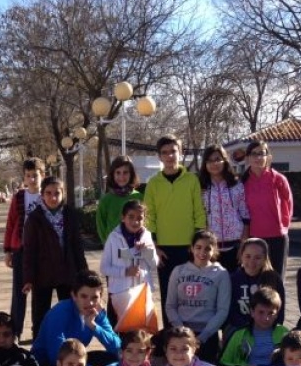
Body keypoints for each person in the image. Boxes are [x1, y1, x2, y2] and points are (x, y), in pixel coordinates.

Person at [144, 134, 206, 324]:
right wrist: (154, 246)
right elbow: (149, 217)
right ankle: (169, 337)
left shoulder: (192, 180)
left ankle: (191, 336)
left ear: (181, 153)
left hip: (189, 248)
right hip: (164, 250)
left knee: (191, 294)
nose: (170, 156)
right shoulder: (153, 183)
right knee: (168, 296)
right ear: (159, 157)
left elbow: (199, 213)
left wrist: (198, 246)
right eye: (165, 153)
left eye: (173, 151)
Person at [21, 175, 88, 339]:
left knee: (70, 310)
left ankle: (71, 347)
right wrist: (28, 278)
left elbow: (77, 246)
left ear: (63, 194)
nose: (53, 197)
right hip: (43, 274)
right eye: (48, 193)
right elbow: (29, 251)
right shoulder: (34, 218)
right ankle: (39, 347)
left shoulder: (70, 215)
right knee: (41, 313)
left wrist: (84, 272)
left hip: (68, 272)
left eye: (57, 193)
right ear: (42, 195)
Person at [239, 141, 294, 325]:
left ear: (268, 157)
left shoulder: (278, 179)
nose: (258, 157)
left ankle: (277, 322)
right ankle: (255, 319)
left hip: (277, 237)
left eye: (262, 153)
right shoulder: (243, 182)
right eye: (254, 154)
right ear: (248, 158)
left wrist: (283, 226)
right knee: (254, 279)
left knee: (275, 280)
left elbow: (288, 204)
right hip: (254, 237)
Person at [31, 270, 122, 366]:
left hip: (75, 362)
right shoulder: (60, 312)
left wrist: (94, 327)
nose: (90, 303)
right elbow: (57, 356)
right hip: (47, 365)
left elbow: (118, 349)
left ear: (100, 298)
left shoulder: (97, 312)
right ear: (74, 296)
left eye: (95, 297)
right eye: (84, 296)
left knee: (115, 360)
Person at [165, 230, 232, 363]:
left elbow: (222, 310)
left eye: (208, 248)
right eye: (198, 247)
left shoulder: (221, 274)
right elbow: (170, 305)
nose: (202, 252)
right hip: (181, 334)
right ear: (191, 248)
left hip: (207, 335)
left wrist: (203, 337)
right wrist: (182, 331)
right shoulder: (178, 271)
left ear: (214, 250)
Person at [219, 285, 289, 366]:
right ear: (252, 312)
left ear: (277, 314)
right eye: (261, 312)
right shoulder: (239, 335)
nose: (266, 318)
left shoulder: (284, 334)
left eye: (271, 313)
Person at [99, 199, 157, 327]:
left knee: (141, 331)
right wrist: (125, 272)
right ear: (123, 217)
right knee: (126, 331)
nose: (135, 222)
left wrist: (147, 251)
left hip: (143, 290)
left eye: (139, 218)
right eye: (131, 217)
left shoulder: (146, 236)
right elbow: (104, 268)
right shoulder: (113, 238)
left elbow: (154, 264)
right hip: (121, 293)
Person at [4, 158, 44, 340]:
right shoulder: (19, 197)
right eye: (28, 176)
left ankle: (39, 332)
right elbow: (11, 222)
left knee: (40, 295)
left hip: (42, 253)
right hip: (20, 249)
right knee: (19, 293)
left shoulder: (48, 195)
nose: (32, 179)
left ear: (42, 175)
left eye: (35, 175)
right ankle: (16, 331)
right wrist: (8, 250)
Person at [198, 143, 250, 272]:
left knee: (234, 286)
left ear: (224, 161)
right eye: (209, 161)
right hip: (211, 248)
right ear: (205, 164)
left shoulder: (236, 184)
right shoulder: (200, 187)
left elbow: (245, 214)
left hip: (235, 246)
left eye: (217, 159)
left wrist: (243, 244)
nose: (214, 164)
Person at [225, 238, 282, 337]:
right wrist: (247, 328)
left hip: (267, 326)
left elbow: (280, 312)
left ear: (265, 258)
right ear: (241, 256)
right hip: (239, 328)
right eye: (248, 256)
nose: (252, 261)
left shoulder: (273, 278)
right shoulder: (232, 279)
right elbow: (230, 310)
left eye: (258, 257)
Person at [95, 156, 142, 244]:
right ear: (113, 174)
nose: (121, 176)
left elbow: (145, 222)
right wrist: (108, 244)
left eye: (125, 172)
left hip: (136, 247)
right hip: (113, 247)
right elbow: (101, 226)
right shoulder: (106, 200)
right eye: (118, 173)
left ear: (131, 174)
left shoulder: (139, 197)